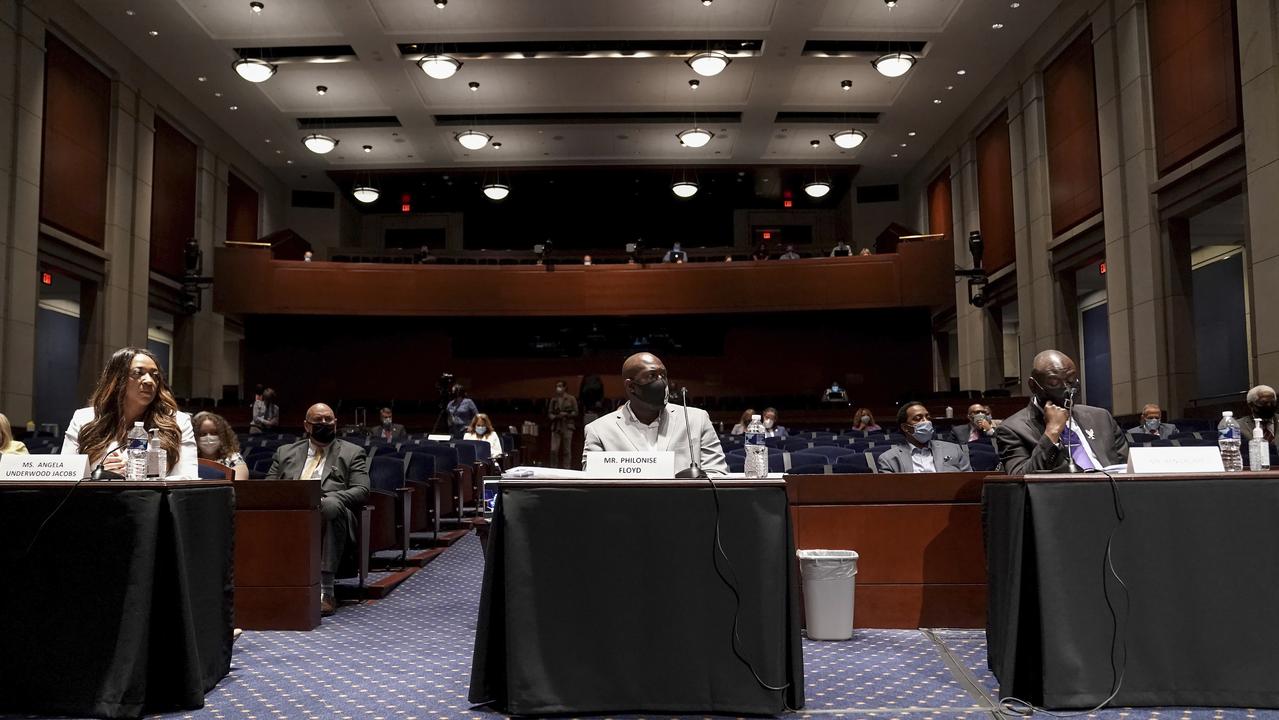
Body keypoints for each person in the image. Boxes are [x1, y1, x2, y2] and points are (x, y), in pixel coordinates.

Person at [266, 403, 370, 617]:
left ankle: (326, 591)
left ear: (335, 423)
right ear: (306, 425)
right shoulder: (285, 452)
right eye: (318, 421)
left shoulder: (352, 452)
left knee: (328, 505)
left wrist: (324, 499)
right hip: (292, 510)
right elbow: (269, 487)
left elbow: (362, 490)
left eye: (328, 420)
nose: (324, 424)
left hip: (332, 512)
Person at [62, 347, 198, 478]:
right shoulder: (84, 418)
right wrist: (98, 476)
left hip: (152, 499)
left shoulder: (178, 421)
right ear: (117, 379)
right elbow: (65, 474)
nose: (149, 381)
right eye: (138, 373)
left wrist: (137, 472)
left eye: (155, 376)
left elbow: (187, 478)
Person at [582, 352, 727, 474]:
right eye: (651, 376)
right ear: (631, 386)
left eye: (663, 375)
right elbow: (593, 486)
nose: (661, 382)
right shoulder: (599, 430)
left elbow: (717, 475)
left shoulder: (697, 420)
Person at [995, 350, 1129, 474]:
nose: (1067, 390)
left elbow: (1129, 467)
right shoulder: (1012, 429)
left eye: (1071, 381)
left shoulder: (1101, 417)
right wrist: (1051, 433)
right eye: (1054, 383)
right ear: (1034, 386)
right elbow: (1019, 479)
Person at [876, 402, 971, 473]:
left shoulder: (954, 449)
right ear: (905, 428)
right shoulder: (889, 459)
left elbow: (967, 482)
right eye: (918, 418)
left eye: (928, 417)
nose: (926, 422)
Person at [192, 411, 249, 480]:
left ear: (223, 436)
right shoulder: (189, 460)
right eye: (203, 434)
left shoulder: (234, 459)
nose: (208, 437)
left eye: (214, 433)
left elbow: (237, 486)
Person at [548, 380, 578, 469]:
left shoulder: (571, 399)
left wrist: (566, 414)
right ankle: (553, 468)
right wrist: (555, 416)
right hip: (556, 426)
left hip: (567, 426)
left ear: (565, 387)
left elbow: (576, 412)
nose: (558, 388)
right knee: (554, 450)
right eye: (557, 386)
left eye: (560, 386)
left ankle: (566, 468)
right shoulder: (553, 400)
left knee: (567, 450)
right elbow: (549, 413)